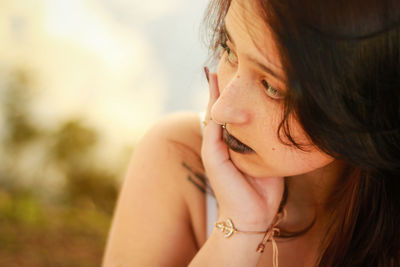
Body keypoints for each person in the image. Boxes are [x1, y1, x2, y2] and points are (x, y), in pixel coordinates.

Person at [102, 0, 400, 266]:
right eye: (229, 50)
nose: (221, 110)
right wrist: (239, 230)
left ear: (371, 103)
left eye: (272, 87)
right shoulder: (178, 155)